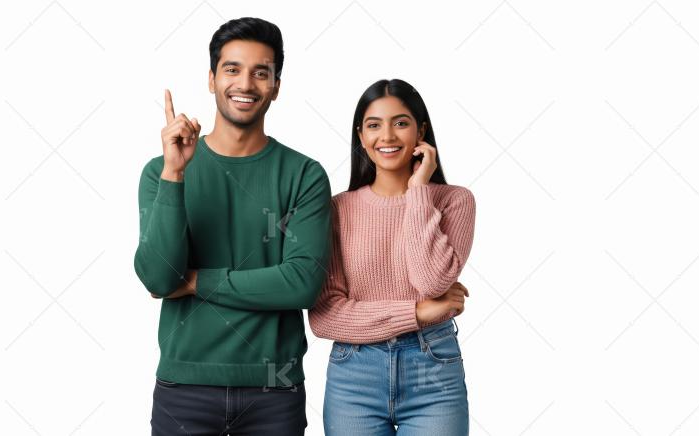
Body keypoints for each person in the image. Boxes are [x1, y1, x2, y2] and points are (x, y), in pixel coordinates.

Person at [133, 17, 332, 435]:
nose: (246, 83)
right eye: (232, 69)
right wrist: (175, 174)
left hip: (274, 391)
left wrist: (195, 283)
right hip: (184, 386)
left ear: (276, 86)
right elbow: (159, 276)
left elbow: (300, 284)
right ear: (211, 79)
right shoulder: (161, 172)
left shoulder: (304, 175)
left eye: (261, 72)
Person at [308, 78, 476, 435]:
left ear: (421, 132)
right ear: (361, 135)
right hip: (354, 374)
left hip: (432, 368)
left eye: (400, 123)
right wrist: (417, 312)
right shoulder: (337, 210)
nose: (387, 136)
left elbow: (432, 280)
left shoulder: (454, 201)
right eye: (374, 125)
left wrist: (417, 191)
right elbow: (325, 317)